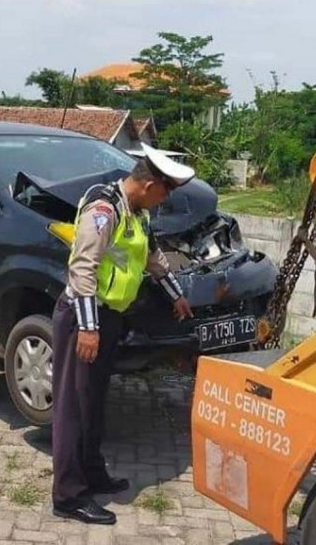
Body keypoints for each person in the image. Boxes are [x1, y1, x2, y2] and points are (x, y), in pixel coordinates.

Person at [51, 143, 195, 525]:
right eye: (165, 191)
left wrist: (176, 295)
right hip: (84, 319)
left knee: (94, 403)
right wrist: (88, 327)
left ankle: (93, 473)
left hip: (109, 319)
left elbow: (149, 257)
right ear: (149, 185)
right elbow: (83, 268)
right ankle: (68, 495)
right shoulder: (104, 208)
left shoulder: (136, 213)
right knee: (72, 409)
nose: (165, 199)